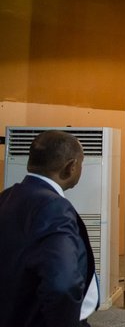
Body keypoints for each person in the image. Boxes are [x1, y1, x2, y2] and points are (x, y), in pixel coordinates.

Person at [0, 130, 98, 327]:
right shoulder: (54, 208)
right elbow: (63, 285)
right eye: (81, 163)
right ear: (71, 166)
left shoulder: (7, 197)